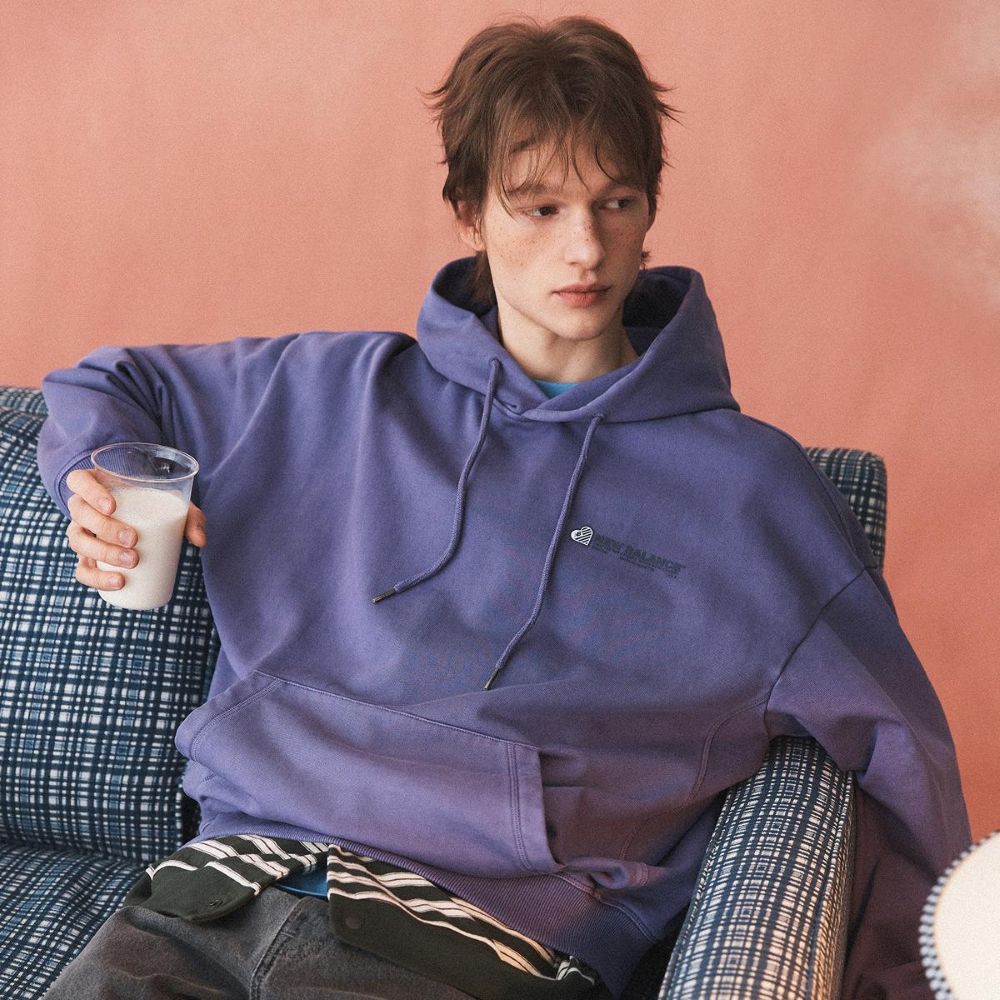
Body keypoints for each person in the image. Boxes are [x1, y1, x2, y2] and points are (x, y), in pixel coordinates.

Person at [37, 14, 969, 1000]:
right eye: (539, 208)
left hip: (470, 944)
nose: (585, 248)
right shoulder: (330, 392)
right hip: (212, 896)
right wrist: (99, 484)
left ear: (649, 211)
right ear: (469, 211)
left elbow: (902, 757)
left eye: (615, 202)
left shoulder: (750, 494)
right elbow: (113, 382)